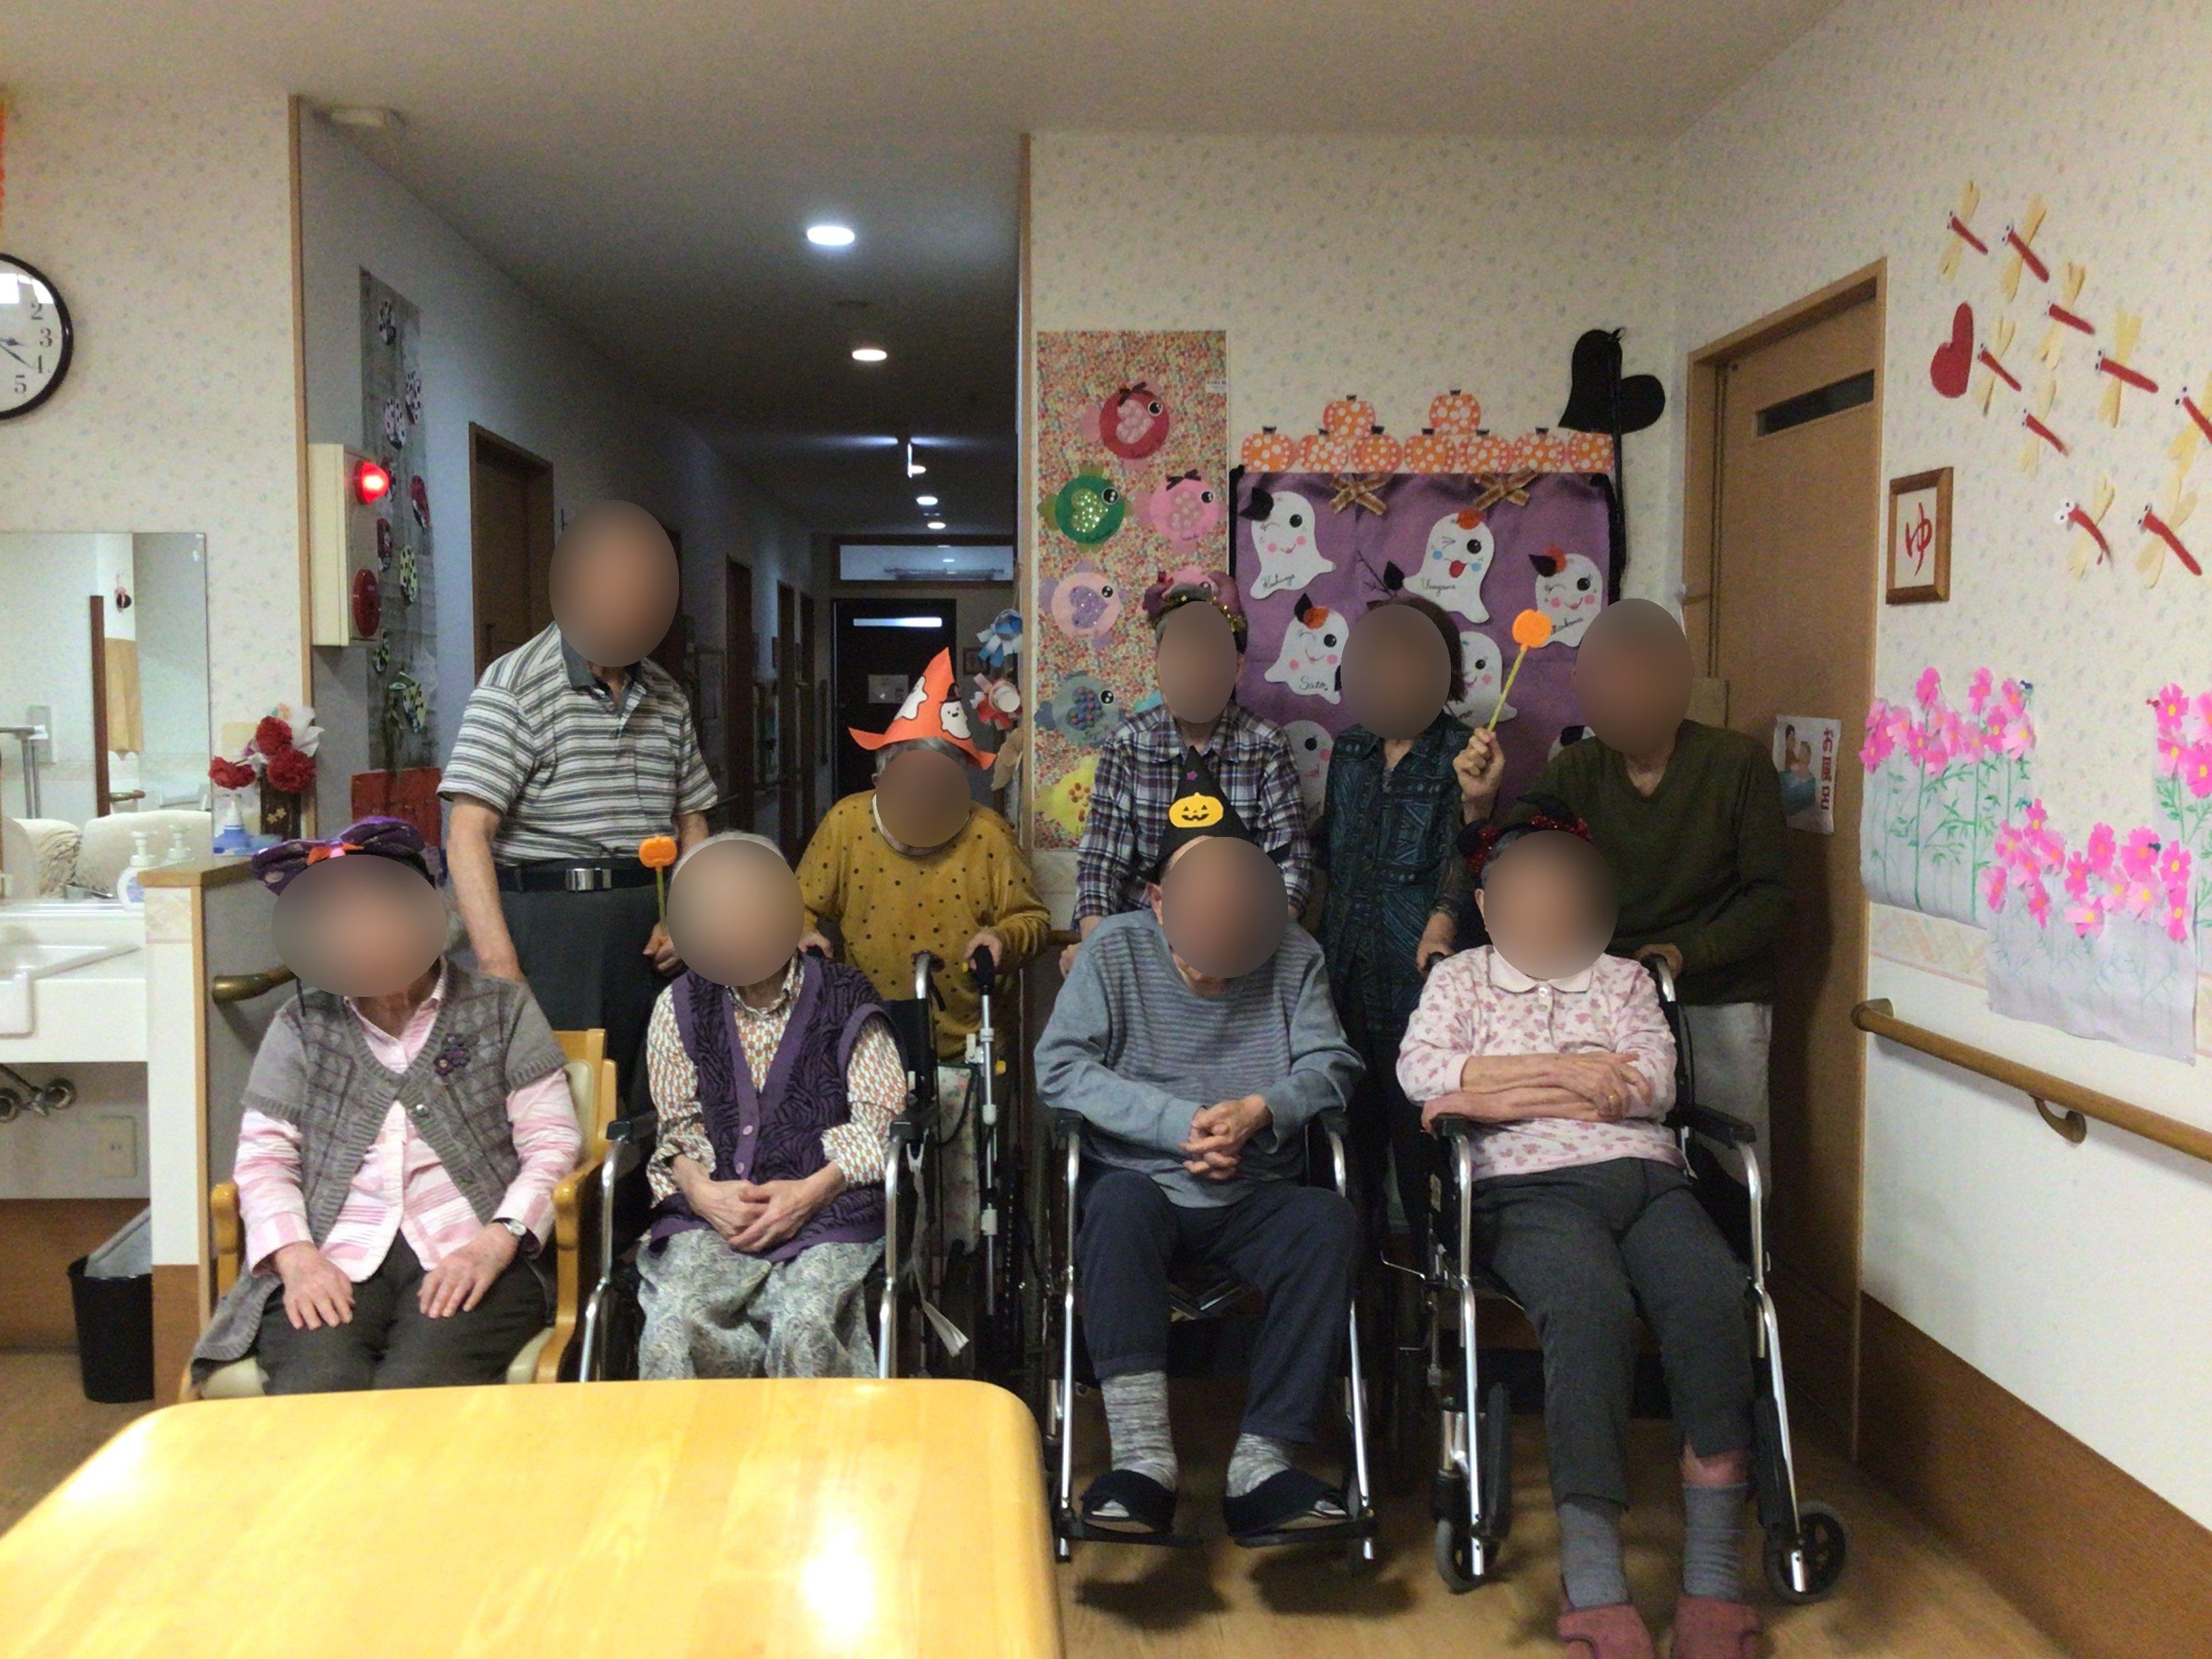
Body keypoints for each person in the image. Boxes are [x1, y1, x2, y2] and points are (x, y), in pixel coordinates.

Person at [1398, 818, 1759, 1659]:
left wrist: (1486, 1093)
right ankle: (1593, 1577)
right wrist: (1569, 1072)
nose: (1547, 913)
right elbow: (1421, 1074)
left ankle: (1712, 1573)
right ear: (1488, 906)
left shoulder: (1626, 981)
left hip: (1648, 1179)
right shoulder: (1460, 981)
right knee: (1588, 1309)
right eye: (1527, 898)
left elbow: (1650, 1087)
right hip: (1527, 1189)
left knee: (1715, 1297)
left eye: (1565, 898)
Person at [1036, 760, 1363, 1542]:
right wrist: (1179, 1123)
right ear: (1158, 900)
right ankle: (1143, 1461)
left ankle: (1262, 1466)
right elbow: (1061, 1067)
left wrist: (1259, 1112)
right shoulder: (1116, 952)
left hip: (1254, 1188)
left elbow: (1333, 1066)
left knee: (1328, 1224)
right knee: (1115, 1207)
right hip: (1142, 1183)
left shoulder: (1294, 955)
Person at [189, 819, 582, 1394]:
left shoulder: (503, 1009)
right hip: (332, 1248)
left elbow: (552, 1144)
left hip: (470, 1242)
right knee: (318, 1384)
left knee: (420, 1386)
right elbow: (265, 1159)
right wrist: (297, 1258)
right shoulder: (300, 1025)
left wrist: (495, 1245)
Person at [1431, 598, 1790, 1158]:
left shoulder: (1736, 763)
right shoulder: (1576, 768)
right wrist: (1479, 804)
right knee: (1627, 1146)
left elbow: (1771, 898)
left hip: (1719, 990)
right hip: (1610, 996)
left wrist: (1685, 953)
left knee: (1729, 1149)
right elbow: (1507, 861)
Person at [441, 501, 716, 1099]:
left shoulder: (666, 694)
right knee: (564, 1104)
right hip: (551, 928)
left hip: (653, 928)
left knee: (659, 1096)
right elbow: (466, 833)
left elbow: (692, 819)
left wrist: (688, 918)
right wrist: (500, 967)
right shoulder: (514, 685)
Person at [636, 832, 904, 1380]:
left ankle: (814, 1441)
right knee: (673, 1323)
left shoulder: (846, 994)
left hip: (829, 1209)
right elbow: (678, 1126)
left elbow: (880, 1124)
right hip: (715, 1214)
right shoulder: (679, 1004)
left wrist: (808, 1195)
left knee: (806, 1323)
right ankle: (692, 1440)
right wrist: (701, 1192)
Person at [1314, 593, 1483, 1251]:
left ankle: (1431, 1297)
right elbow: (1331, 848)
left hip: (1420, 985)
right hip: (1343, 976)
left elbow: (1468, 855)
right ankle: (1360, 1297)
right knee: (1346, 1154)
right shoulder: (1351, 750)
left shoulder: (1465, 752)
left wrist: (1442, 920)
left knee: (1422, 1154)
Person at [796, 646, 1048, 1059]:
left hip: (972, 1039)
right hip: (868, 1032)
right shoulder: (847, 823)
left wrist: (1003, 937)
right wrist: (803, 933)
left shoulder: (988, 835)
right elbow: (797, 904)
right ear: (879, 782)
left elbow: (1032, 920)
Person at [1066, 573, 1312, 975]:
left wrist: (1248, 946)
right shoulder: (1127, 745)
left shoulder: (1266, 745)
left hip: (1240, 936)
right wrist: (1095, 955)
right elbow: (1101, 865)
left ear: (1235, 669)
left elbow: (1291, 866)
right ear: (1159, 666)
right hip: (1143, 941)